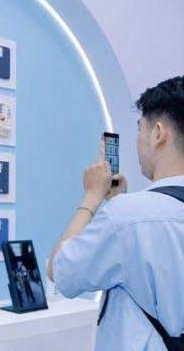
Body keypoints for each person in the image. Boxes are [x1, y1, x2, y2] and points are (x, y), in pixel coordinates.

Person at [47, 76, 184, 351]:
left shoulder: (127, 217)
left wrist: (92, 196)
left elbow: (60, 271)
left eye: (140, 129)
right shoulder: (131, 215)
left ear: (158, 133)